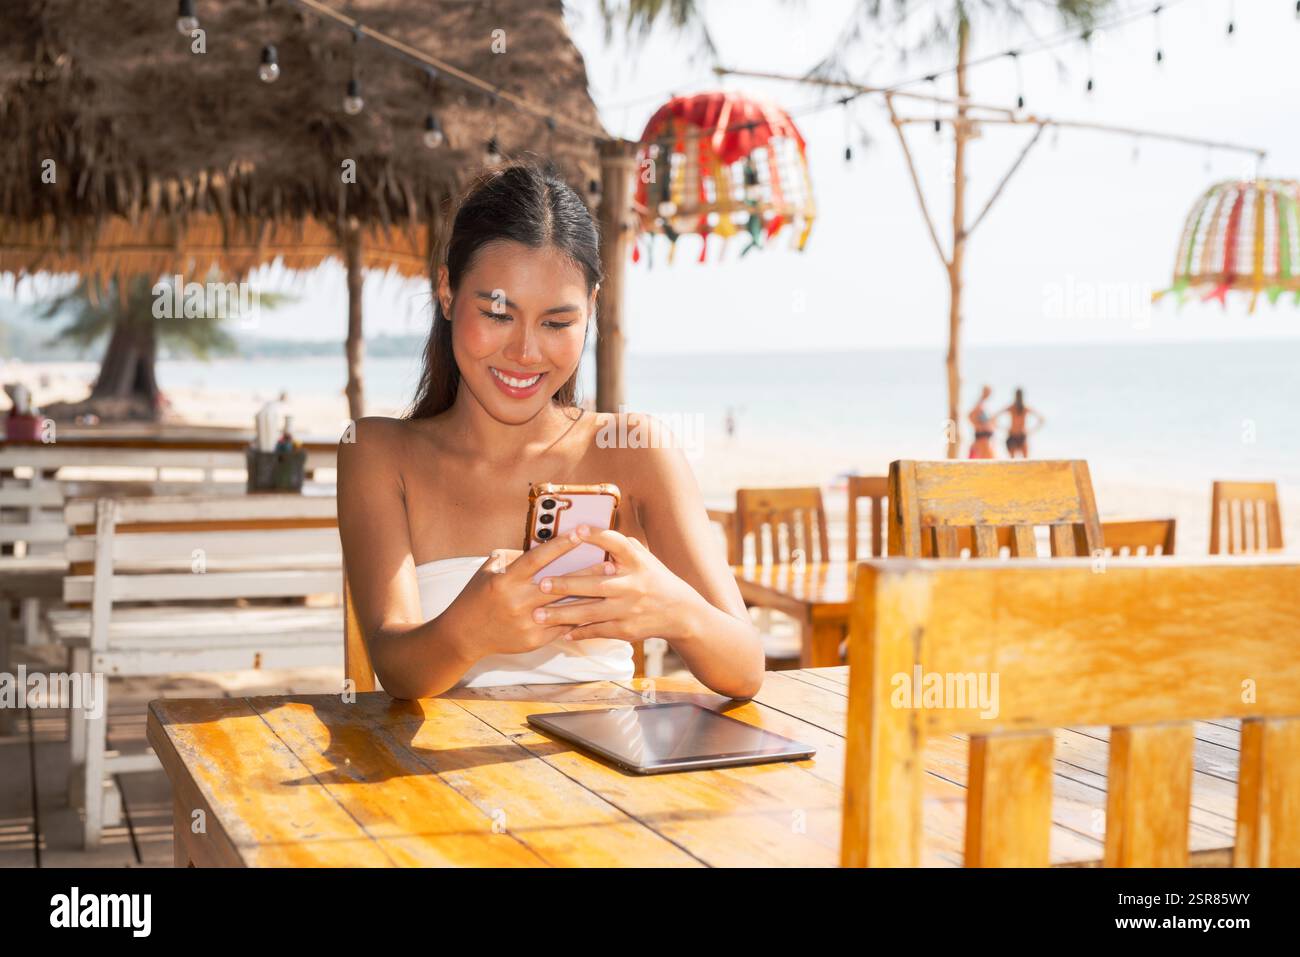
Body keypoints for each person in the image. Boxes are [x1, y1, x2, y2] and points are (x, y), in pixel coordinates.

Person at [337, 163, 763, 700]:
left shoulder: (635, 449)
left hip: (604, 775)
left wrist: (676, 610)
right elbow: (395, 668)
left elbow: (746, 670)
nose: (525, 352)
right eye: (497, 313)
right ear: (446, 291)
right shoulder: (378, 452)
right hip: (436, 777)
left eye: (557, 323)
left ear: (591, 309)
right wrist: (467, 631)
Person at [997, 387, 1043, 458]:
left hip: (1022, 437)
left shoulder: (1025, 408)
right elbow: (994, 417)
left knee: (1026, 461)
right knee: (1012, 462)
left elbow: (1041, 419)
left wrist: (1029, 431)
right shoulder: (1011, 407)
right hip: (1012, 436)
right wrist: (1005, 429)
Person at [967, 385, 995, 459]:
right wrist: (977, 425)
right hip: (982, 439)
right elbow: (969, 415)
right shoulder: (980, 404)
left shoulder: (982, 404)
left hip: (984, 439)